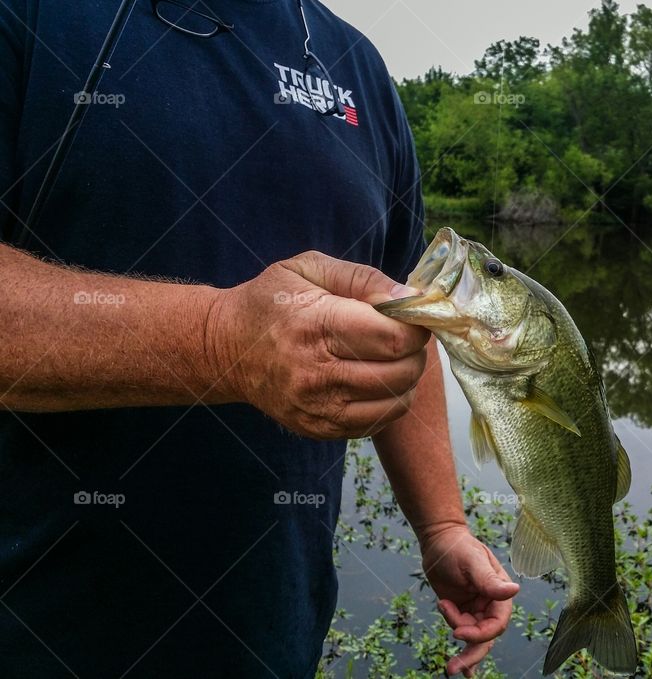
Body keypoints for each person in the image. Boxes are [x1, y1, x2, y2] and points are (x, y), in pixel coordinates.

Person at [0, 1, 518, 677]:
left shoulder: (355, 65)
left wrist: (443, 525)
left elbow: (403, 316)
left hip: (274, 640)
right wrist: (223, 341)